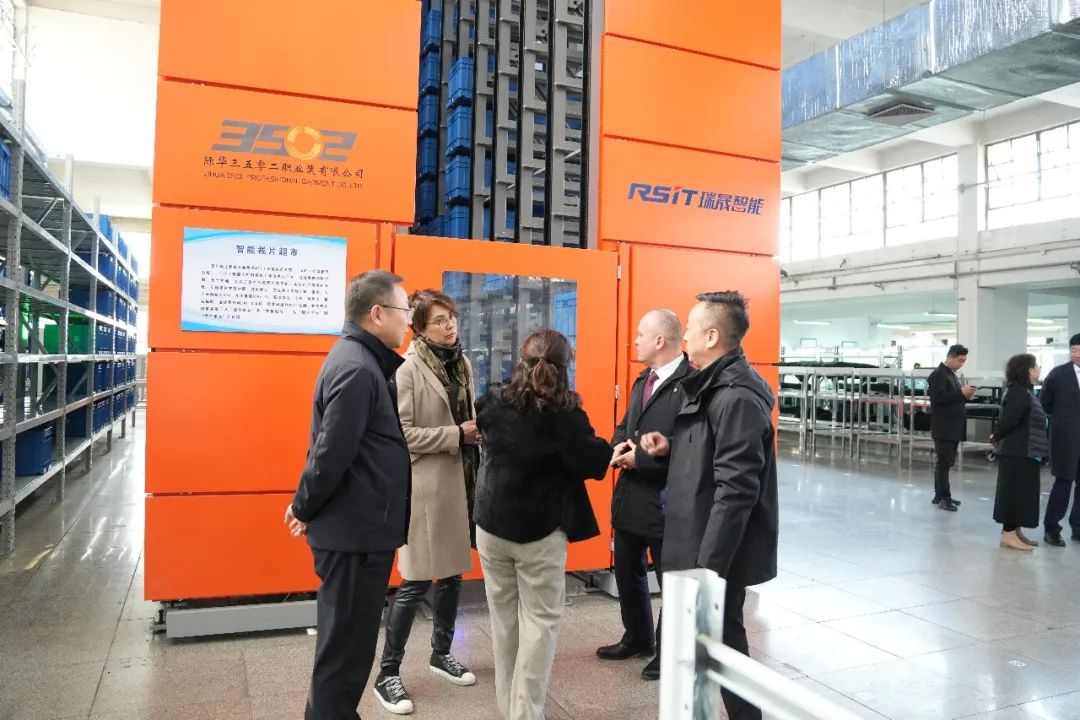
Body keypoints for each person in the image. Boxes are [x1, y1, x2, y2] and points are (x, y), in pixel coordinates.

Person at [640, 291, 778, 720]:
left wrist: (708, 568)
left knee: (724, 644)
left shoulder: (736, 396)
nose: (684, 336)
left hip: (712, 551)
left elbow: (736, 489)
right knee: (710, 645)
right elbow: (713, 452)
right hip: (696, 540)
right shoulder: (713, 384)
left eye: (690, 327)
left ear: (713, 336)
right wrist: (672, 446)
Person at [285, 270, 413, 720]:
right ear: (377, 313)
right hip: (355, 537)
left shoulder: (360, 360)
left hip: (357, 531)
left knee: (345, 648)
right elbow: (331, 453)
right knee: (344, 653)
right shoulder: (359, 368)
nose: (409, 320)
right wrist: (303, 506)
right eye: (404, 310)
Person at [474, 330, 611, 720]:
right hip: (539, 534)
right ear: (565, 367)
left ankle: (509, 708)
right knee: (540, 622)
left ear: (522, 360)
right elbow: (592, 461)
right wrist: (610, 448)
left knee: (504, 621)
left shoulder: (493, 402)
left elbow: (484, 429)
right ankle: (525, 714)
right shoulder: (565, 417)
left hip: (491, 528)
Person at [374, 290, 480, 715]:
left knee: (452, 575)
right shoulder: (407, 371)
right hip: (424, 488)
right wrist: (456, 435)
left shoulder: (462, 363)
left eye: (451, 316)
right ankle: (387, 673)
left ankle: (441, 653)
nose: (449, 325)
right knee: (416, 580)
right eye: (439, 320)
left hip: (460, 483)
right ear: (418, 327)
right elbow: (402, 434)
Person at [596, 309, 690, 681]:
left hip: (667, 500)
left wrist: (644, 459)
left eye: (640, 334)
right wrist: (619, 447)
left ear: (659, 340)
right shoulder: (643, 380)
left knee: (672, 582)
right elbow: (626, 425)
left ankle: (669, 654)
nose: (635, 340)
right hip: (631, 496)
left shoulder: (691, 383)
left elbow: (691, 444)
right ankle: (637, 637)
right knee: (628, 571)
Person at [991, 353, 1047, 551]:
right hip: (1017, 452)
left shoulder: (1025, 392)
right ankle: (1008, 534)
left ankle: (1015, 531)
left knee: (1022, 494)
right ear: (1028, 370)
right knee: (1014, 493)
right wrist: (996, 435)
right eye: (1036, 365)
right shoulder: (1018, 393)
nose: (1038, 369)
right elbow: (1009, 420)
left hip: (1026, 452)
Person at [1040, 334, 1080, 547]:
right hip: (1065, 438)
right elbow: (1044, 402)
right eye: (1073, 350)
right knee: (1063, 483)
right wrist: (1062, 421)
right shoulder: (1058, 374)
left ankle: (1078, 528)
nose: (1077, 354)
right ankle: (1052, 529)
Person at [928, 344, 976, 511]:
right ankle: (944, 497)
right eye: (959, 360)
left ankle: (939, 494)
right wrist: (961, 393)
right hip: (944, 427)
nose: (961, 364)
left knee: (946, 463)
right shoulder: (938, 375)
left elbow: (953, 397)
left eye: (964, 361)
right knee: (944, 463)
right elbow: (937, 398)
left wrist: (966, 395)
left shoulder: (951, 375)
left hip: (953, 426)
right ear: (949, 357)